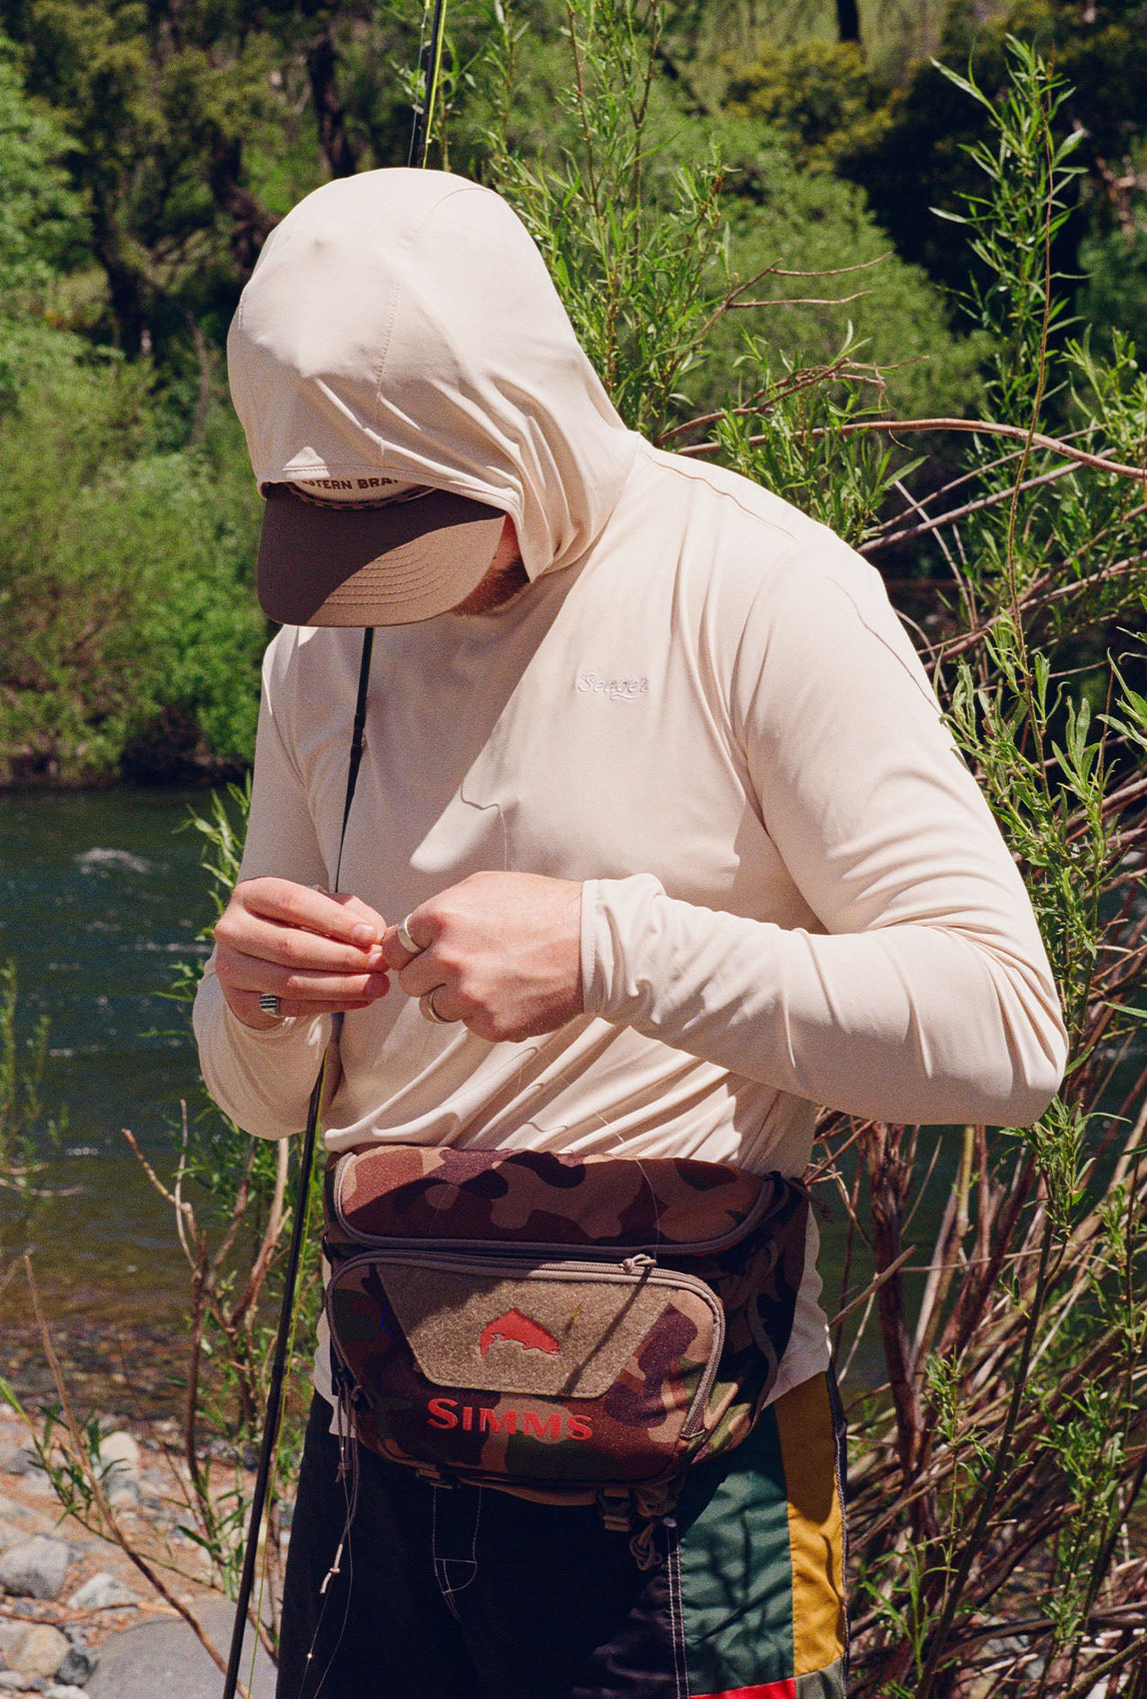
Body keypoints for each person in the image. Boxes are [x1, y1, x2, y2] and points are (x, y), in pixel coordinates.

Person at [193, 166, 1068, 1699]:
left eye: (419, 519)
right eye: (338, 527)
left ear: (528, 420)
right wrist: (254, 1003)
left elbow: (1006, 1033)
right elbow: (269, 1108)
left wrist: (612, 951)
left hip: (722, 1475)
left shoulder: (766, 592)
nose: (384, 580)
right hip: (374, 1449)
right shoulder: (317, 656)